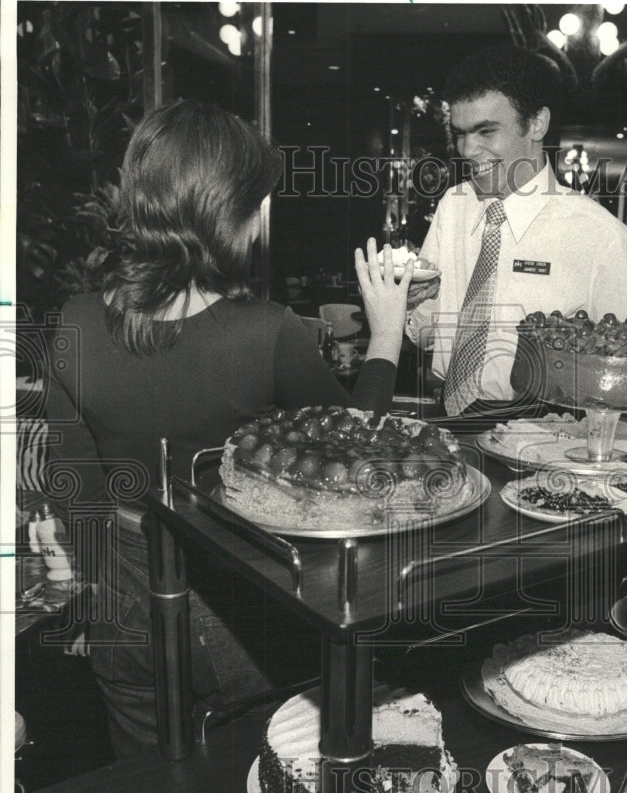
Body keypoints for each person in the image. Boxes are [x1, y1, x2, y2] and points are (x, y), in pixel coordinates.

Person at [43, 99, 413, 758]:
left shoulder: (71, 322)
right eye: (258, 200)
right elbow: (362, 455)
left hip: (121, 611)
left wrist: (97, 606)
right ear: (226, 210)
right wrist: (385, 335)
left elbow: (78, 496)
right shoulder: (266, 332)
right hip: (239, 613)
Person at [405, 44, 627, 416]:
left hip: (543, 431)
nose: (468, 149)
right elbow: (429, 333)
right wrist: (410, 303)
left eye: (486, 131)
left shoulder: (599, 235)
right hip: (448, 417)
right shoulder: (453, 206)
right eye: (460, 133)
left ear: (536, 124)